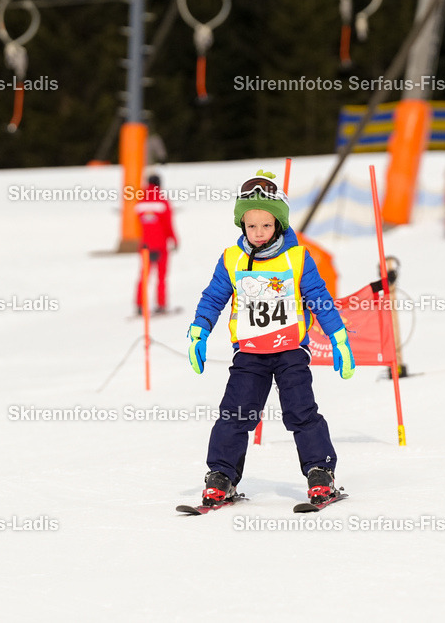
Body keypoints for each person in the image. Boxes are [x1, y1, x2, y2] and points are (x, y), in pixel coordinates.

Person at [186, 170, 356, 508]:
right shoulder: (232, 259)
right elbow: (213, 297)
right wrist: (199, 330)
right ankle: (221, 477)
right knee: (234, 414)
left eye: (266, 225)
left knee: (301, 413)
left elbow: (319, 298)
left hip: (291, 351)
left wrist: (339, 338)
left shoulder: (297, 257)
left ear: (278, 223)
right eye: (251, 226)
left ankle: (320, 473)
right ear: (242, 226)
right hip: (249, 353)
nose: (259, 232)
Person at [134, 174, 178, 314]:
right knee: (161, 277)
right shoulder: (162, 201)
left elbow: (139, 223)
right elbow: (168, 224)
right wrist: (174, 239)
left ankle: (140, 305)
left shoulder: (140, 201)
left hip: (145, 245)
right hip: (161, 245)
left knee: (144, 276)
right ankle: (161, 304)